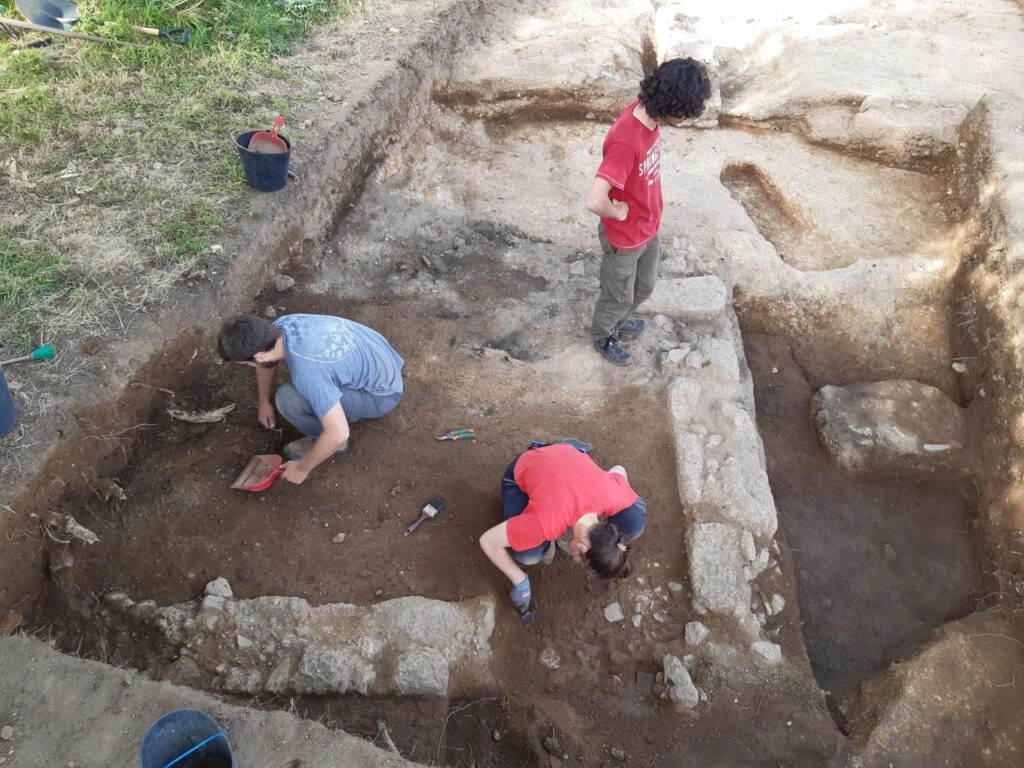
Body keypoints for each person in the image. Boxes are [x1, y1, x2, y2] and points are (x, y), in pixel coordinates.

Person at [585, 58, 711, 366]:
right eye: (685, 112)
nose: (685, 118)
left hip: (648, 226)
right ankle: (603, 335)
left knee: (644, 287)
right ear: (672, 105)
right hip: (626, 237)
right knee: (618, 295)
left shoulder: (648, 116)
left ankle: (619, 319)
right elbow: (594, 199)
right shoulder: (627, 142)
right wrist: (616, 212)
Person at [217, 313, 404, 484]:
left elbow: (339, 433)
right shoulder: (283, 326)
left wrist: (301, 468)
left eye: (245, 363)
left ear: (259, 355)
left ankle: (324, 439)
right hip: (384, 363)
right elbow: (265, 364)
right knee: (317, 387)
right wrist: (264, 401)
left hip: (381, 396)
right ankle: (339, 410)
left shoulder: (307, 373)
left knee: (287, 399)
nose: (247, 366)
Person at [478, 441, 647, 614]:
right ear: (582, 547)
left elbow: (619, 469)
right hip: (524, 470)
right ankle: (552, 447)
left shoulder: (614, 495)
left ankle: (569, 446)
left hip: (566, 457)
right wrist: (520, 581)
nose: (576, 560)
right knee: (529, 554)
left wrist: (629, 496)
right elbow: (488, 541)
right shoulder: (546, 522)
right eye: (577, 558)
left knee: (634, 523)